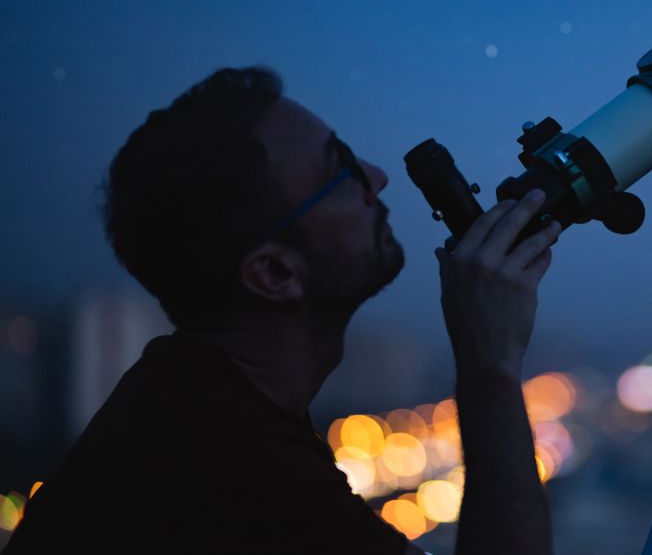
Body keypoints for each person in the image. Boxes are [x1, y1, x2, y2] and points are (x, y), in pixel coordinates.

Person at [4, 67, 559, 554]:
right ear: (274, 274)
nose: (377, 175)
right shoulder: (235, 475)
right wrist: (490, 366)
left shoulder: (187, 405)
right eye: (340, 169)